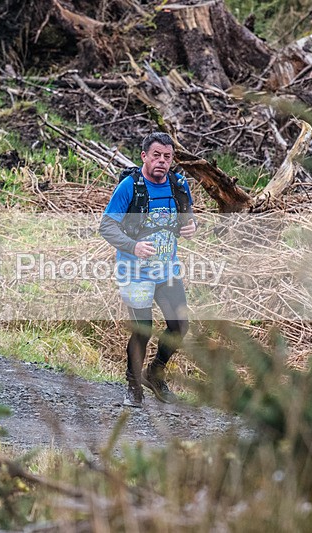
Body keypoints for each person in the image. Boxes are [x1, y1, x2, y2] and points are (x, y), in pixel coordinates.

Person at [99, 132, 196, 407]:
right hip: (135, 273)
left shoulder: (178, 184)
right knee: (143, 329)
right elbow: (106, 226)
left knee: (179, 325)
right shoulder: (130, 186)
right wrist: (133, 246)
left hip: (167, 271)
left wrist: (192, 227)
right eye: (156, 156)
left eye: (167, 157)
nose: (162, 162)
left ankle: (154, 373)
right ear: (144, 156)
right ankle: (133, 384)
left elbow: (188, 218)